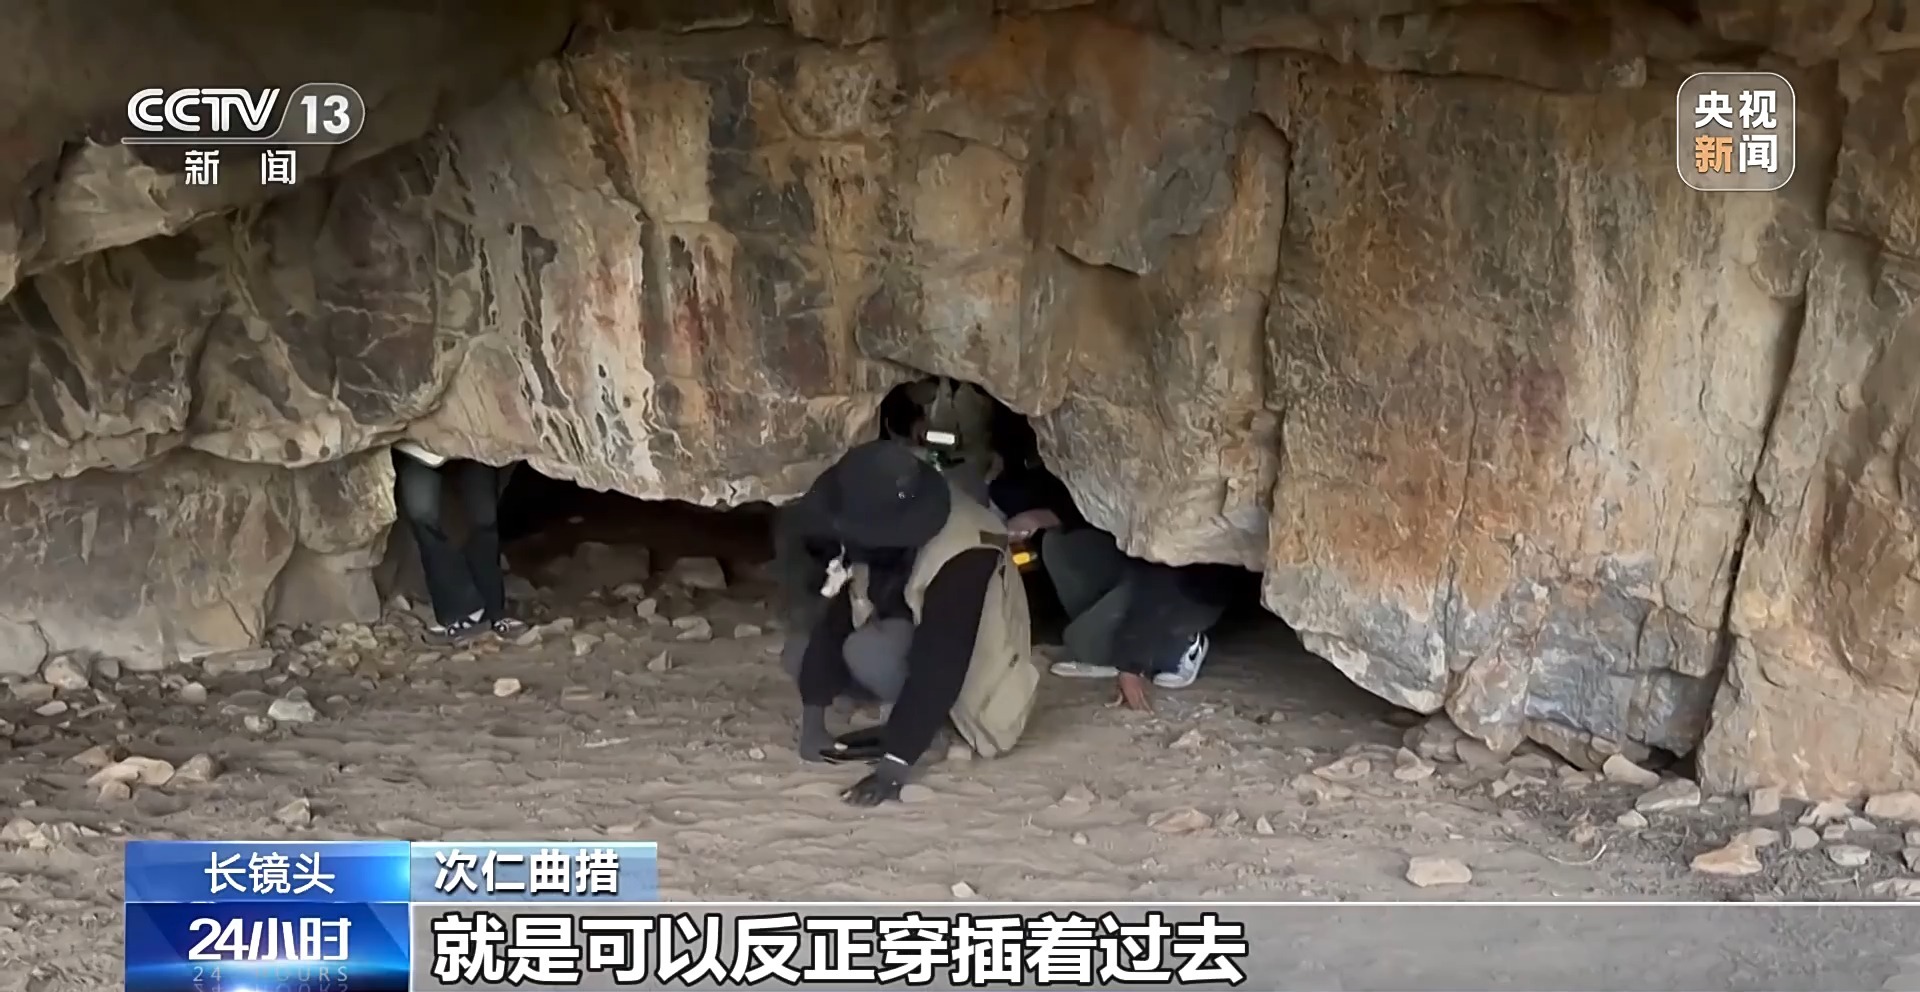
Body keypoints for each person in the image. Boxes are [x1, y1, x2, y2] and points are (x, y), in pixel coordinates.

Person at [776, 440, 1039, 806]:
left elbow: (942, 660)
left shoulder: (966, 548)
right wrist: (813, 722)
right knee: (800, 652)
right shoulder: (878, 508)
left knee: (871, 652)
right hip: (913, 633)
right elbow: (837, 614)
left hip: (977, 676)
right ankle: (910, 720)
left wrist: (895, 764)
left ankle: (937, 730)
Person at [990, 428, 1235, 710]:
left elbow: (1161, 581)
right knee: (1061, 542)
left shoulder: (1183, 492)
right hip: (1142, 573)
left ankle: (1179, 646)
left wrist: (1130, 666)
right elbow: (1089, 504)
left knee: (1083, 641)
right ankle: (1108, 646)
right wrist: (1039, 517)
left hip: (1189, 590)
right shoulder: (1135, 469)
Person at [392, 441, 530, 645]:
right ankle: (462, 611)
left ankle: (493, 613)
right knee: (422, 517)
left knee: (483, 520)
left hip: (473, 443)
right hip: (416, 447)